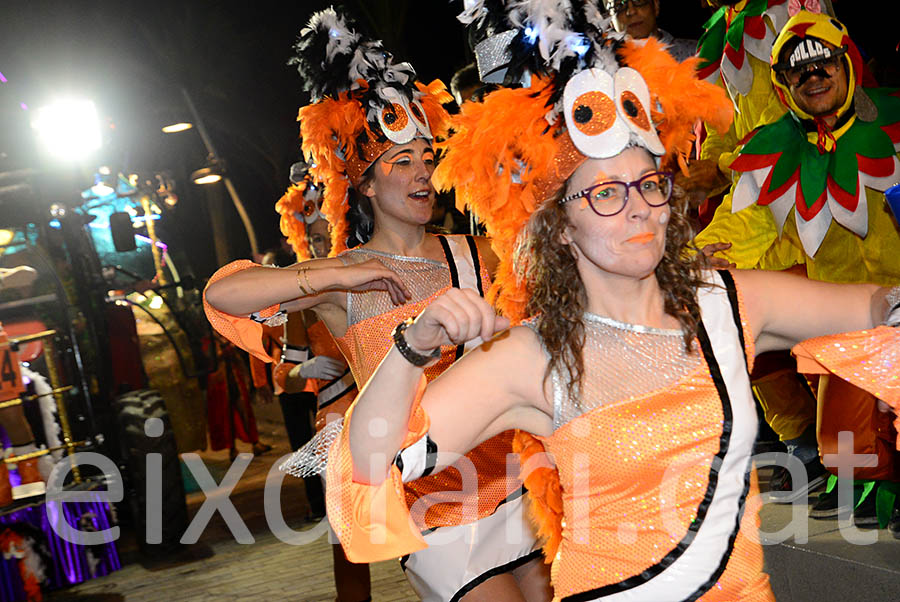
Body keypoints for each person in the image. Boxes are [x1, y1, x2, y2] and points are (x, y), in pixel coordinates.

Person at [319, 7, 897, 601]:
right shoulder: (528, 356)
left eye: (649, 184)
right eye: (604, 193)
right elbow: (367, 461)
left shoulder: (727, 302)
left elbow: (879, 309)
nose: (638, 208)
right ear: (560, 226)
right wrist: (410, 349)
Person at [203, 9, 548, 601]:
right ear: (364, 183)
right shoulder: (345, 279)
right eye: (400, 161)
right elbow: (222, 294)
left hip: (524, 485)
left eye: (424, 156)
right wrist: (333, 269)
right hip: (437, 509)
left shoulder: (480, 250)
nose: (421, 174)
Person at [695, 9, 900, 525]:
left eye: (823, 65)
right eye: (798, 72)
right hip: (849, 318)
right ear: (783, 83)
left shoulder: (894, 127)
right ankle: (878, 480)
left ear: (846, 64)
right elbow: (741, 223)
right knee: (842, 444)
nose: (814, 79)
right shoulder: (779, 151)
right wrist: (685, 260)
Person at [604, 0, 697, 62]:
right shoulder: (604, 66)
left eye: (638, 1)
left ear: (655, 6)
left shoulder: (696, 53)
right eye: (620, 5)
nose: (631, 11)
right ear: (610, 20)